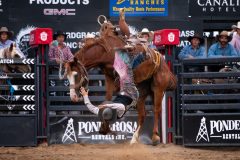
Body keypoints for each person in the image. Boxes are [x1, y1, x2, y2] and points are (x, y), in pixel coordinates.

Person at [80, 49, 139, 135]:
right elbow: (120, 106)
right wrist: (106, 105)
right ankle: (136, 55)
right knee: (124, 74)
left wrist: (85, 95)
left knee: (119, 71)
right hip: (132, 95)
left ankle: (122, 54)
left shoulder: (103, 113)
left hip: (123, 92)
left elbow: (90, 107)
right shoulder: (119, 113)